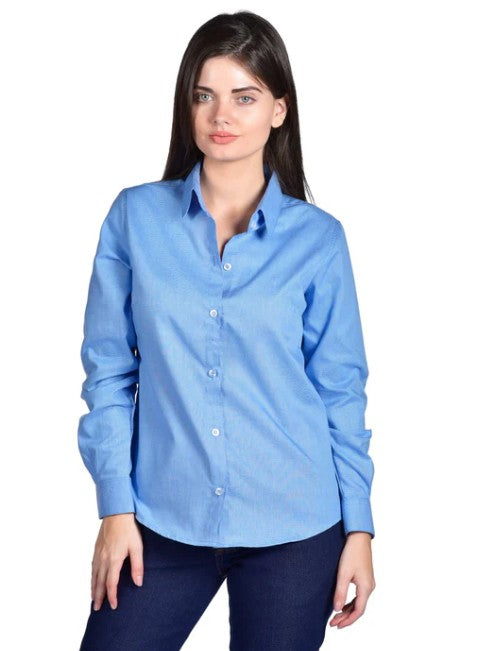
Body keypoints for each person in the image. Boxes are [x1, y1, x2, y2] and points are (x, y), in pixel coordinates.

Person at [78, 10, 376, 650]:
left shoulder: (319, 241)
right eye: (204, 95)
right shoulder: (134, 218)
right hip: (161, 517)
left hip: (295, 524)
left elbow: (340, 390)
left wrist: (359, 529)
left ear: (278, 110)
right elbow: (109, 374)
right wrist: (115, 507)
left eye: (245, 97)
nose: (222, 115)